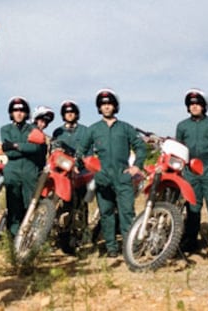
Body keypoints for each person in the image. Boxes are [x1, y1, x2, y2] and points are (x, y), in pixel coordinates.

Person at [78, 88, 146, 257]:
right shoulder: (93, 129)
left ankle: (130, 247)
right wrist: (89, 163)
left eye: (109, 104)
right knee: (106, 213)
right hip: (102, 177)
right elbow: (81, 151)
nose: (106, 107)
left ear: (115, 107)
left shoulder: (125, 128)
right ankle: (111, 248)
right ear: (99, 108)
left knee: (127, 212)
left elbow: (140, 146)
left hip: (123, 176)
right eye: (103, 104)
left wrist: (136, 165)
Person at [176, 88, 208, 252]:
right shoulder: (182, 126)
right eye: (191, 104)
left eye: (198, 103)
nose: (194, 106)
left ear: (204, 106)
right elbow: (179, 147)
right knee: (192, 206)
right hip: (191, 169)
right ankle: (191, 240)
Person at [0, 98, 48, 237]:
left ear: (26, 113)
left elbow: (37, 148)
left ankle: (31, 239)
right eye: (15, 110)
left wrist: (15, 145)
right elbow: (9, 152)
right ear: (11, 113)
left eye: (22, 110)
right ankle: (14, 238)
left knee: (31, 205)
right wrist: (25, 147)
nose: (19, 113)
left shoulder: (33, 129)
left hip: (30, 171)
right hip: (12, 171)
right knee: (14, 206)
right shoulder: (5, 129)